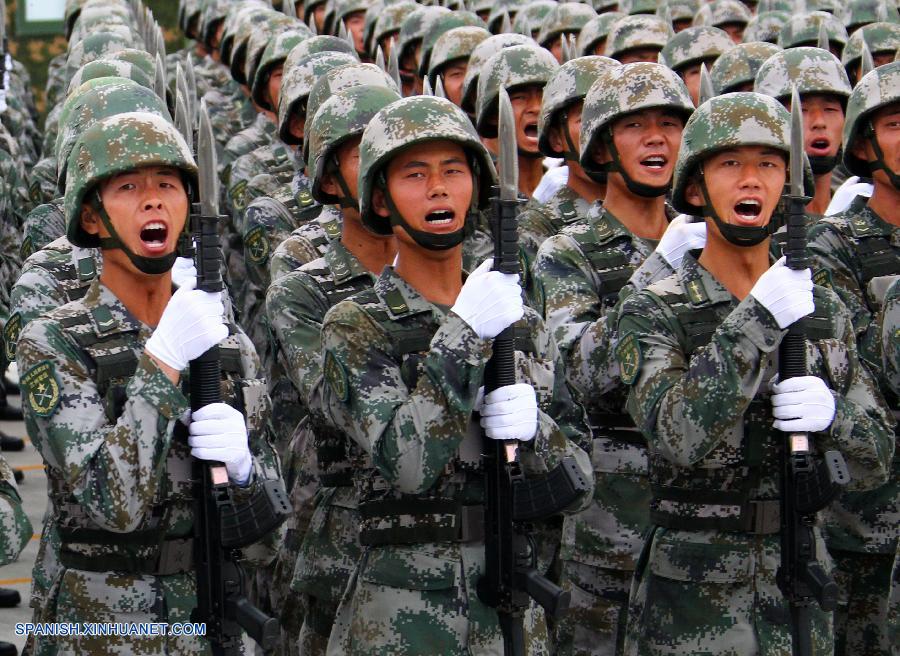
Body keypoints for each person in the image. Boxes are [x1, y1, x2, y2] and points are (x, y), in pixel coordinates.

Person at [616, 91, 894, 655]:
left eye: (768, 164)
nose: (751, 180)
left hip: (799, 581)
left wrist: (834, 416)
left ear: (788, 186)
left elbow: (877, 459)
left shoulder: (823, 309)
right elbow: (676, 435)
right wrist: (759, 319)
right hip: (692, 597)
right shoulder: (655, 307)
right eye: (730, 164)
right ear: (696, 189)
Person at [319, 95, 593, 655]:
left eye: (453, 171)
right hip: (405, 616)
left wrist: (537, 432)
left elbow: (581, 484)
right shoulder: (356, 325)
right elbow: (409, 463)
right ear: (380, 198)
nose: (438, 188)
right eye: (415, 175)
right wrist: (466, 332)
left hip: (512, 604)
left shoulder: (522, 321)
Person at [16, 112, 283, 655]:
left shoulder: (227, 344)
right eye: (129, 188)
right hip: (102, 624)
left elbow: (268, 546)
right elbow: (111, 503)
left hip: (205, 618)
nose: (153, 201)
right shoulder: (55, 341)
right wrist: (162, 362)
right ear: (91, 218)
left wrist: (243, 474)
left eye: (167, 185)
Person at [533, 61, 700, 656]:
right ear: (602, 145)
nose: (657, 139)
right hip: (614, 524)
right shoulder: (568, 251)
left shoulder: (714, 241)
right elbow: (574, 371)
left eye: (670, 124)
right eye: (635, 126)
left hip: (706, 526)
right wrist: (659, 270)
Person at [264, 84, 401, 656]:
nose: (381, 169)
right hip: (341, 523)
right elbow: (339, 403)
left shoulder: (467, 276)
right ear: (326, 177)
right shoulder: (304, 286)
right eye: (361, 152)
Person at [807, 61, 900, 656]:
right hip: (867, 526)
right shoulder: (830, 244)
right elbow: (867, 368)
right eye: (897, 124)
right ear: (865, 144)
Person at [754, 47, 852, 219]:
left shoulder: (856, 206)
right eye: (802, 110)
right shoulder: (754, 221)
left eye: (830, 109)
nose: (819, 122)